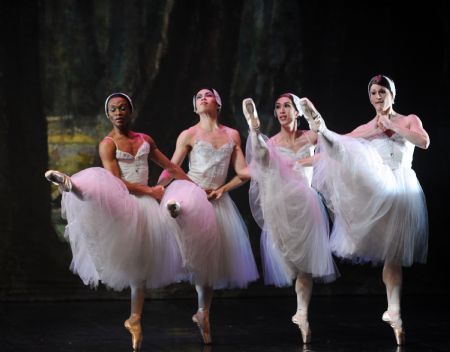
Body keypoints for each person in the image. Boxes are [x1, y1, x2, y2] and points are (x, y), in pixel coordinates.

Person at [45, 92, 193, 351]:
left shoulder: (145, 140)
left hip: (146, 210)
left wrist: (193, 186)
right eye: (113, 109)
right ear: (108, 114)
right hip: (120, 201)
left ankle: (135, 319)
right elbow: (117, 182)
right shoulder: (108, 144)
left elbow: (170, 166)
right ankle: (71, 184)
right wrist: (150, 191)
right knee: (96, 183)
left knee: (140, 271)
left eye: (123, 108)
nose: (118, 112)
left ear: (130, 111)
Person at [301, 75, 430, 345]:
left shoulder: (409, 119)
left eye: (382, 91)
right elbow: (339, 146)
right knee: (347, 151)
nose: (378, 97)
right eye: (373, 93)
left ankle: (394, 312)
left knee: (392, 257)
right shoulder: (365, 126)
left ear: (393, 94)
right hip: (375, 187)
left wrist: (391, 126)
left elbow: (423, 141)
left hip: (401, 188)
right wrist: (302, 160)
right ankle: (321, 127)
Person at [157, 88, 259, 344]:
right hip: (191, 191)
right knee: (181, 214)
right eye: (198, 97)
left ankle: (203, 313)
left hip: (216, 200)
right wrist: (160, 186)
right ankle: (176, 209)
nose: (202, 98)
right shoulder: (189, 134)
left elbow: (244, 172)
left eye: (207, 95)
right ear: (195, 108)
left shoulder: (232, 135)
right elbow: (171, 167)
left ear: (218, 103)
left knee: (209, 261)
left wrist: (223, 189)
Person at [241, 94, 339, 344]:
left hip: (307, 205)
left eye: (287, 106)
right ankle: (253, 129)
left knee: (306, 266)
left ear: (297, 112)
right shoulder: (272, 143)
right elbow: (260, 164)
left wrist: (314, 117)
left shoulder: (309, 136)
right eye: (278, 107)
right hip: (282, 206)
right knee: (293, 265)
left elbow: (331, 146)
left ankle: (302, 313)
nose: (282, 110)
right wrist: (257, 136)